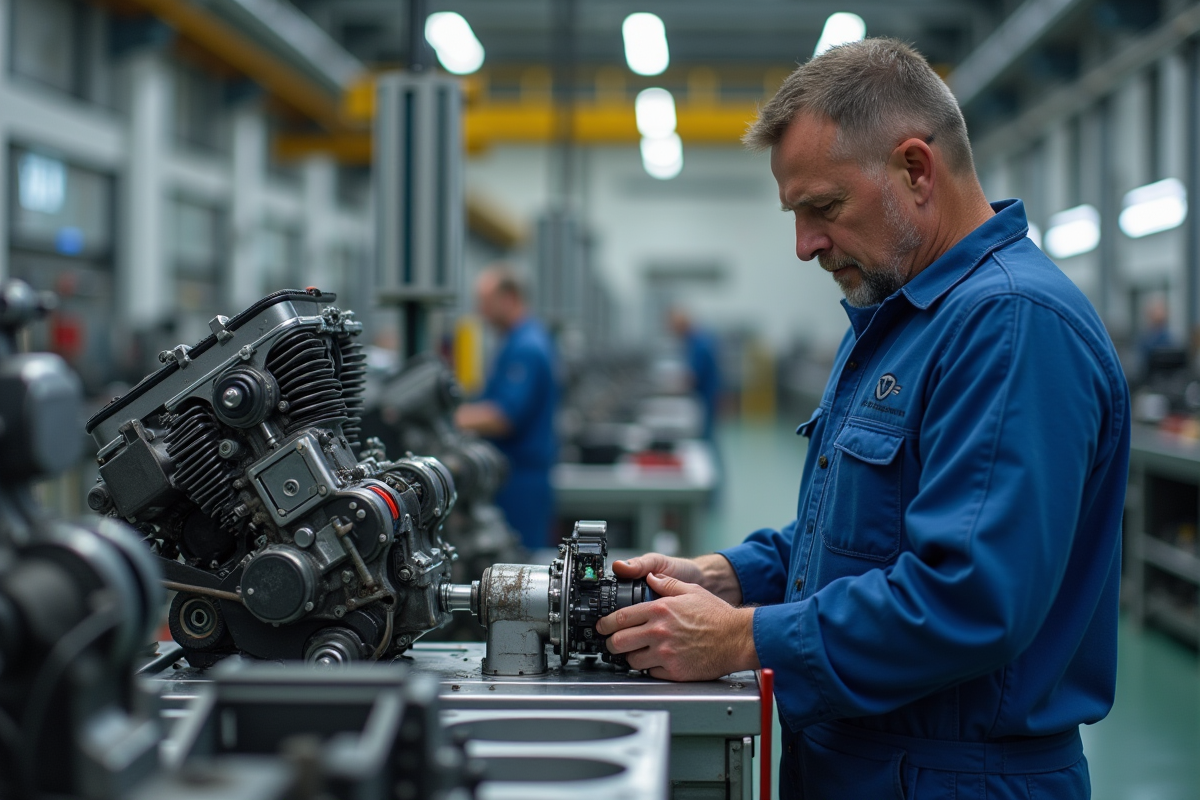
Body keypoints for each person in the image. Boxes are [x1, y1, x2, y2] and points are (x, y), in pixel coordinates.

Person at [596, 39, 1129, 799]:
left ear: (916, 170)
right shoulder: (902, 320)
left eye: (824, 208)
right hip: (866, 762)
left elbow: (970, 598)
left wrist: (740, 638)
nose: (805, 244)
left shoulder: (1010, 325)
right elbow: (862, 537)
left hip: (955, 779)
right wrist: (731, 576)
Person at [454, 267, 558, 550]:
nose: (481, 311)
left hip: (520, 479)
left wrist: (452, 419)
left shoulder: (526, 346)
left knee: (519, 569)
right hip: (513, 474)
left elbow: (502, 417)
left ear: (509, 297)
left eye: (485, 302)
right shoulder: (518, 340)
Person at [668, 309, 721, 441]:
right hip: (706, 396)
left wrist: (672, 389)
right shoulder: (698, 340)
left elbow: (693, 377)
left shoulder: (698, 344)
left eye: (675, 329)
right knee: (709, 436)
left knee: (706, 437)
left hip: (706, 398)